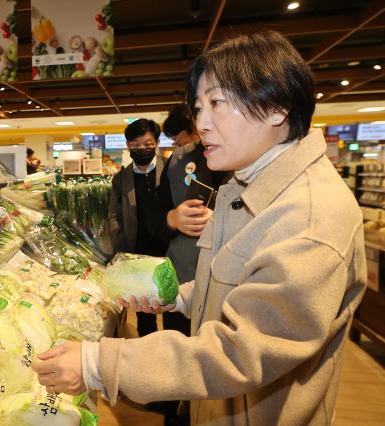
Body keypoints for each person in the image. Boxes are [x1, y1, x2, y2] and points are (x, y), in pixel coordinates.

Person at [32, 31, 367, 425]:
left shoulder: (309, 216)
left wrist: (98, 362)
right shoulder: (250, 184)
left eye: (217, 104)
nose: (201, 123)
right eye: (198, 106)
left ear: (277, 107)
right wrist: (176, 298)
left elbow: (240, 352)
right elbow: (235, 285)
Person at [147, 103, 231, 425]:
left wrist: (224, 222)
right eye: (200, 114)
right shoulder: (180, 160)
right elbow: (153, 218)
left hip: (228, 289)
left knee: (218, 371)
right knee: (177, 362)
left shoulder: (257, 161)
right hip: (182, 279)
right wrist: (171, 218)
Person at [108, 118, 168, 337]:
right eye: (135, 145)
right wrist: (120, 244)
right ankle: (148, 346)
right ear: (128, 146)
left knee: (172, 302)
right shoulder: (122, 178)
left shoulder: (170, 168)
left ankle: (173, 345)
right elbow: (113, 214)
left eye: (147, 144)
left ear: (157, 142)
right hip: (137, 250)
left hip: (168, 248)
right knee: (143, 307)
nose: (141, 149)